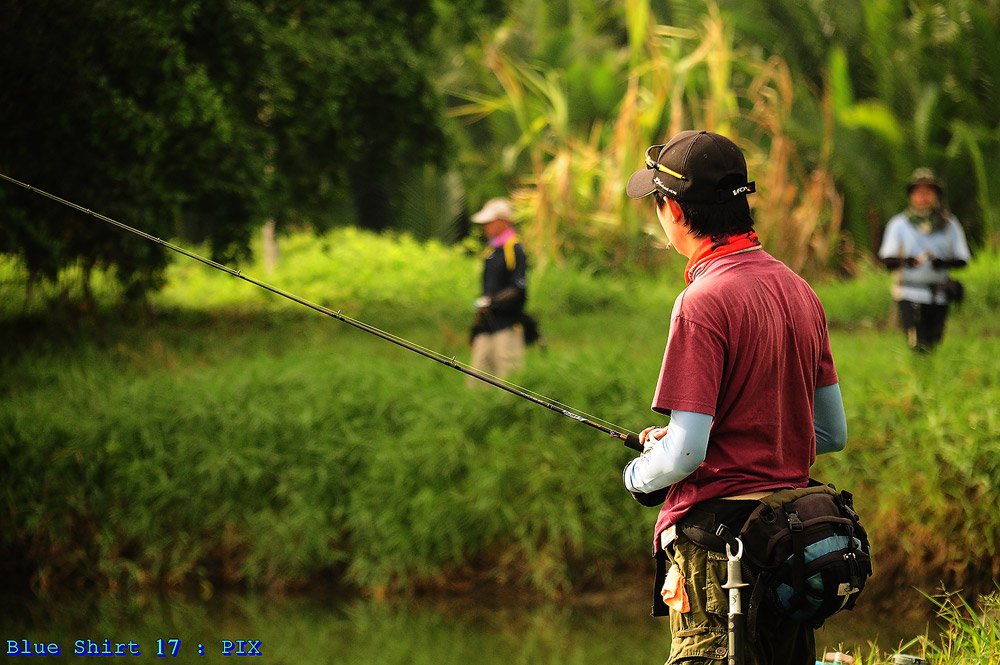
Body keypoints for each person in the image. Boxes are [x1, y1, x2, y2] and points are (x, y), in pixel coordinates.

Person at [623, 130, 848, 665]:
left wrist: (640, 474)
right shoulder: (800, 291)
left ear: (674, 208)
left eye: (657, 202)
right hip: (794, 546)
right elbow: (830, 433)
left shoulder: (700, 303)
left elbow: (685, 455)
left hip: (722, 552)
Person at [878, 168, 970, 352]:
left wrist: (942, 263)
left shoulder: (949, 224)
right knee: (916, 344)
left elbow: (962, 259)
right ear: (911, 195)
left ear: (936, 195)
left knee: (934, 342)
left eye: (928, 192)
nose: (923, 197)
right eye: (919, 192)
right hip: (910, 293)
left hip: (939, 295)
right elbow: (887, 259)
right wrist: (907, 262)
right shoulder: (899, 225)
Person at [467, 197, 528, 386]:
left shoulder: (515, 249)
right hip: (486, 325)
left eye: (489, 222)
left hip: (507, 325)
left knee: (510, 382)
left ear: (503, 222)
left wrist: (493, 302)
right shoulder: (491, 252)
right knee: (476, 381)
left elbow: (519, 288)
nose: (485, 227)